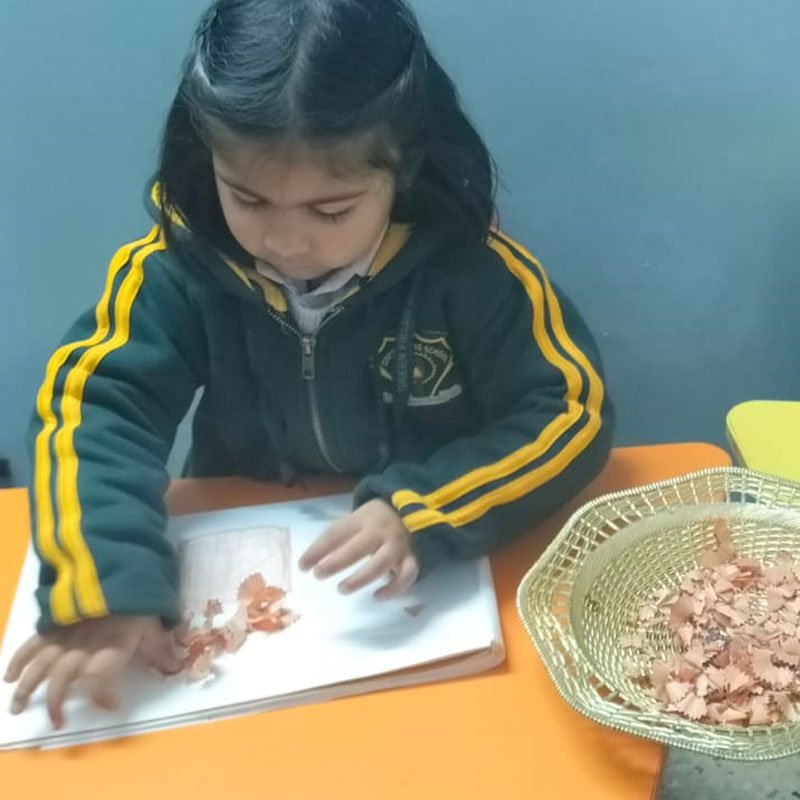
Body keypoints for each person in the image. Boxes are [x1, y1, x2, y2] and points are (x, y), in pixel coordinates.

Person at [4, 0, 613, 728]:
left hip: (423, 579)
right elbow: (96, 411)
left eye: (331, 211)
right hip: (246, 548)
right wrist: (102, 581)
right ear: (206, 159)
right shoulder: (175, 266)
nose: (286, 242)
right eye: (248, 199)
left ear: (404, 167)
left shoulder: (475, 273)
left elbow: (567, 412)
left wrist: (427, 508)